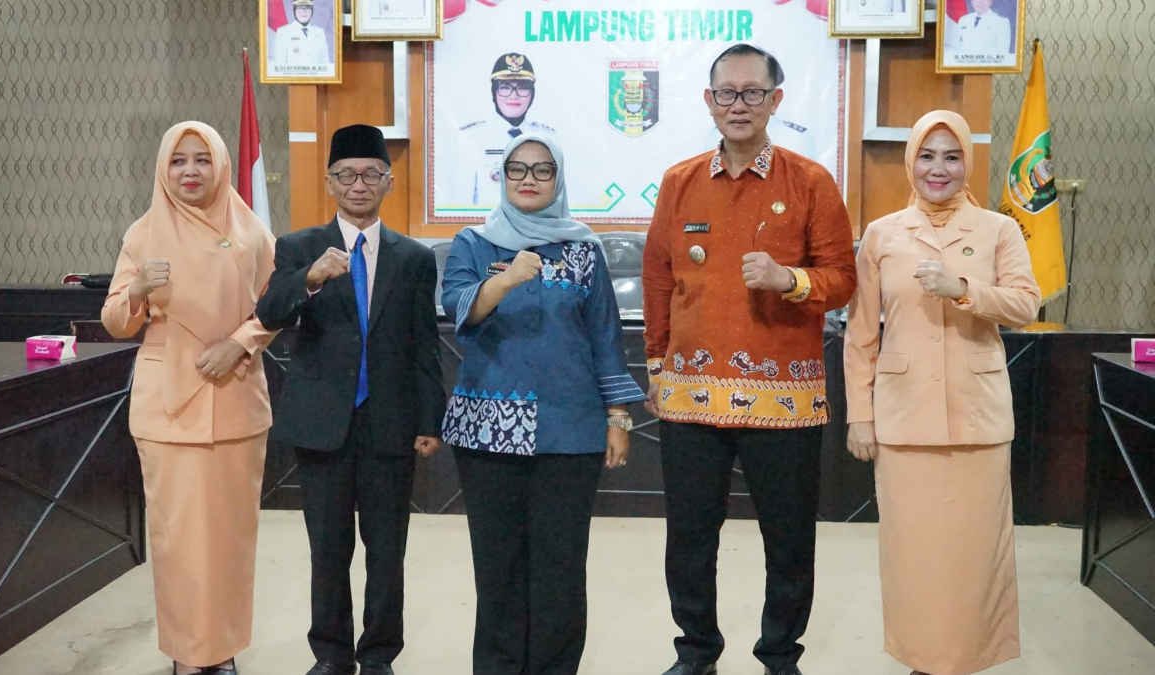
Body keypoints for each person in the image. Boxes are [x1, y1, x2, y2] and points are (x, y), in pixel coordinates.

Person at [642, 43, 856, 675]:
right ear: (709, 102)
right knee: (688, 538)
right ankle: (696, 651)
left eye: (753, 93)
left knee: (788, 539)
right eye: (726, 94)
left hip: (783, 399)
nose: (739, 105)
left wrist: (789, 280)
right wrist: (656, 362)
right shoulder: (680, 182)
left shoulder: (811, 181)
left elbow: (842, 279)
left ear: (775, 101)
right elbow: (658, 279)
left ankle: (780, 654)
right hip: (689, 395)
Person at [440, 133, 645, 674]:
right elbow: (460, 310)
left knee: (560, 568)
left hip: (570, 430)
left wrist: (618, 416)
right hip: (489, 430)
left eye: (542, 170)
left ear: (559, 179)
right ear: (502, 178)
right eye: (517, 169)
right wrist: (505, 280)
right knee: (498, 566)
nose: (528, 179)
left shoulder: (583, 248)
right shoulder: (474, 243)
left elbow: (605, 335)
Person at [843, 110, 1038, 675]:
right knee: (916, 559)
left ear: (968, 163)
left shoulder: (998, 229)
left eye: (952, 156)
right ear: (910, 161)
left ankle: (970, 659)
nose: (939, 168)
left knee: (975, 560)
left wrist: (964, 289)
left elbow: (1027, 303)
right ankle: (922, 661)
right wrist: (861, 416)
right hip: (904, 422)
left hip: (979, 422)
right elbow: (860, 335)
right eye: (927, 156)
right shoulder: (882, 235)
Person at [255, 124, 445, 675]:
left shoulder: (413, 258)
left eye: (369, 174)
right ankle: (331, 655)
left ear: (388, 181)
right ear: (330, 182)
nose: (358, 185)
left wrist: (429, 418)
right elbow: (268, 314)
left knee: (387, 551)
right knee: (328, 550)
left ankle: (380, 654)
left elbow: (424, 346)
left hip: (390, 422)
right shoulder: (298, 247)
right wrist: (310, 279)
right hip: (322, 425)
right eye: (346, 175)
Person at [101, 121, 278, 675]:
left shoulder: (252, 232)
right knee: (178, 541)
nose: (191, 171)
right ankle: (185, 653)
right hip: (166, 408)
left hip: (235, 400)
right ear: (163, 169)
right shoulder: (142, 233)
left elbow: (275, 307)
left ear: (222, 164)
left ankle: (220, 650)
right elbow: (114, 323)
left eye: (203, 159)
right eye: (179, 161)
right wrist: (134, 292)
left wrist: (240, 343)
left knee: (228, 540)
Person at [452, 52, 556, 206]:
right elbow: (459, 201)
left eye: (522, 88)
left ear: (532, 94)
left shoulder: (549, 137)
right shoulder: (470, 138)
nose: (514, 96)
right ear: (494, 93)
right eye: (505, 87)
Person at [273, 0, 332, 74]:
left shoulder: (319, 32)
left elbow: (324, 63)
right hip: (292, 81)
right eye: (300, 8)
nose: (304, 12)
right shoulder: (283, 32)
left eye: (307, 8)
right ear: (294, 11)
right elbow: (279, 66)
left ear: (312, 11)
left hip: (316, 81)